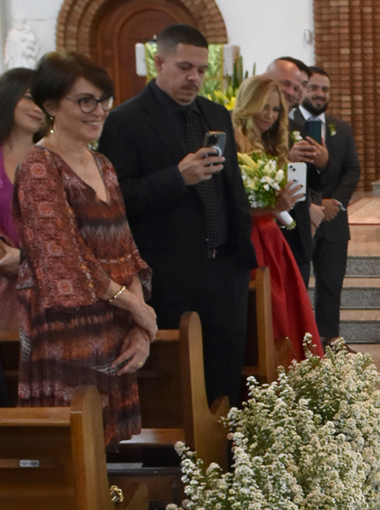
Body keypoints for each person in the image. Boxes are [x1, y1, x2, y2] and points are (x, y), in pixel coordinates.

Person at [99, 24, 255, 408]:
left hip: (223, 270)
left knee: (225, 372)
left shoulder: (215, 113)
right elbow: (118, 199)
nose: (194, 78)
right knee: (177, 383)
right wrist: (176, 178)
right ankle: (175, 463)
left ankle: (226, 461)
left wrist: (242, 257)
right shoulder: (126, 120)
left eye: (202, 70)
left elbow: (232, 189)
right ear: (159, 61)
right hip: (170, 273)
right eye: (185, 67)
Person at [16, 54, 156, 442]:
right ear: (50, 106)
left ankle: (111, 501)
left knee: (108, 444)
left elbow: (126, 248)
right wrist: (135, 306)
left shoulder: (104, 164)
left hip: (113, 321)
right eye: (85, 101)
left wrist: (140, 328)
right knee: (77, 445)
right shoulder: (39, 165)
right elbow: (60, 256)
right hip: (66, 328)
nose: (99, 111)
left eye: (104, 100)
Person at [231, 74, 322, 362]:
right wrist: (273, 205)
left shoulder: (270, 143)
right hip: (250, 236)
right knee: (268, 311)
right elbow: (232, 203)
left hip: (272, 235)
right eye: (264, 107)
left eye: (275, 110)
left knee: (287, 308)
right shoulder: (234, 142)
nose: (269, 116)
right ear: (248, 104)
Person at [289, 65, 360, 344]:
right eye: (314, 87)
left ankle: (330, 342)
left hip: (333, 219)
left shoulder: (341, 129)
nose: (319, 94)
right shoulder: (284, 124)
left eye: (325, 89)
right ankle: (300, 345)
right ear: (304, 88)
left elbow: (352, 170)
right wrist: (316, 202)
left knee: (331, 285)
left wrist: (336, 203)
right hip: (298, 216)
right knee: (299, 285)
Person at [266, 56, 327, 285]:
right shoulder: (248, 125)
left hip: (296, 235)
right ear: (266, 80)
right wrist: (287, 161)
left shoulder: (300, 130)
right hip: (265, 232)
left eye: (300, 86)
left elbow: (314, 182)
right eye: (286, 84)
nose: (293, 91)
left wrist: (322, 163)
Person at [0, 67, 42, 331]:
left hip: (45, 286)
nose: (38, 107)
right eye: (29, 97)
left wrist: (27, 258)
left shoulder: (52, 160)